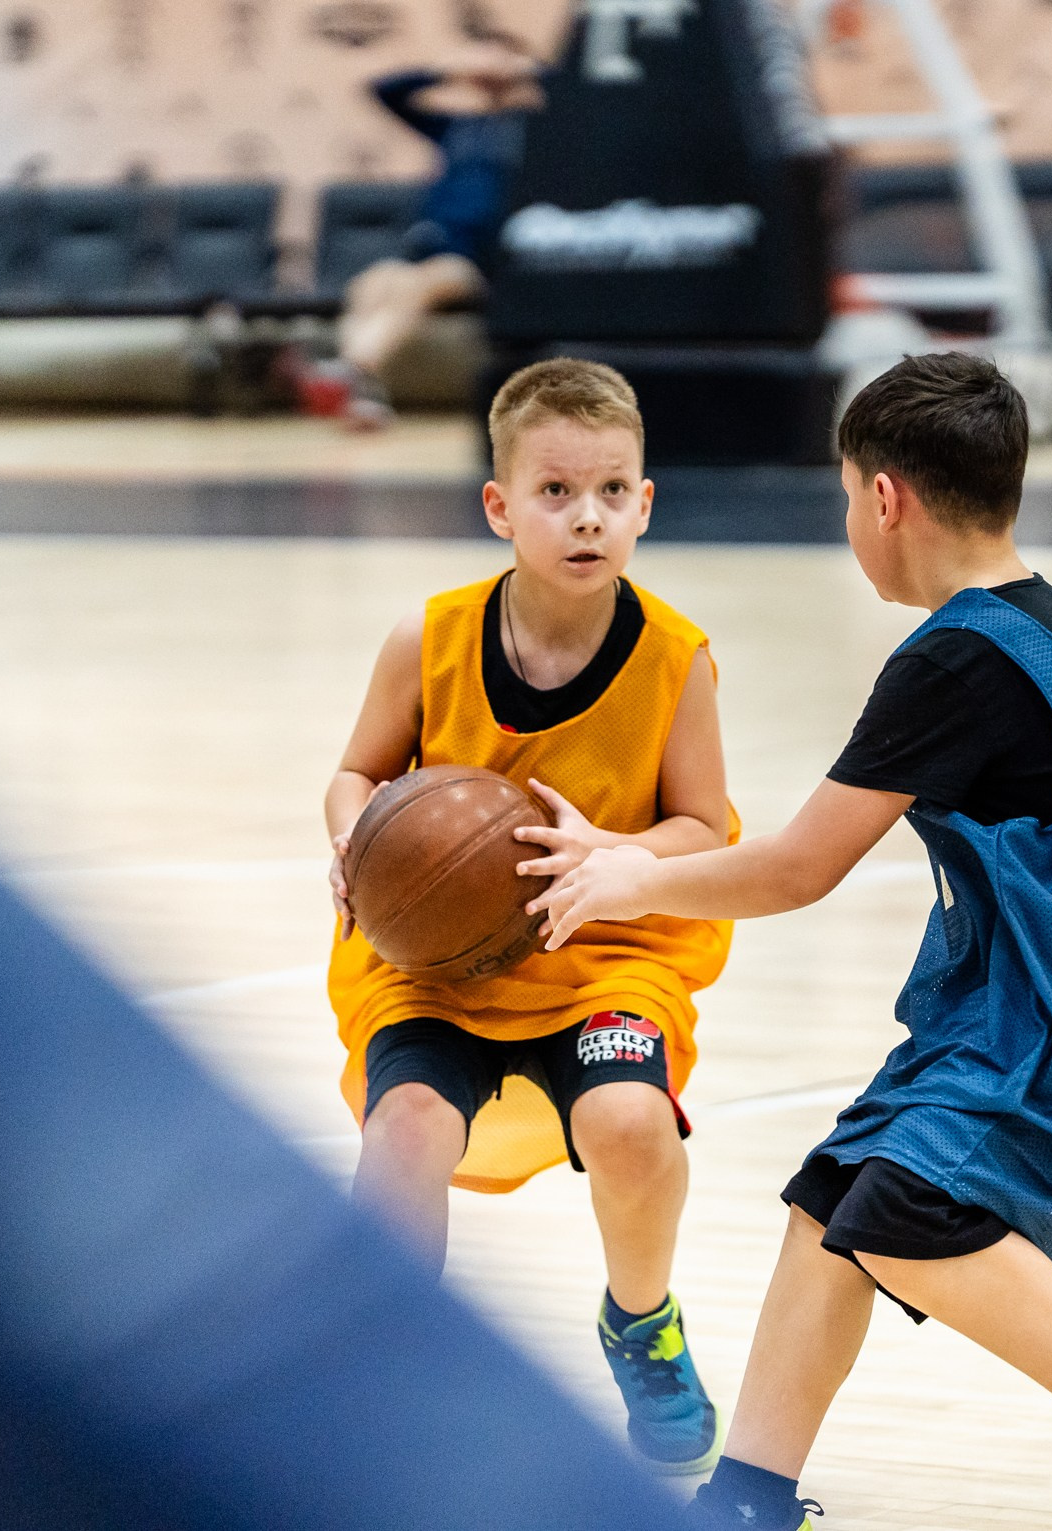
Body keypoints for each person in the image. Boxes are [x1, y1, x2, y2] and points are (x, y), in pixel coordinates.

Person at [532, 353, 1052, 1531]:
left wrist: (631, 882)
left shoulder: (955, 657)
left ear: (884, 499)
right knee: (834, 1201)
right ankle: (751, 1498)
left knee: (908, 1214)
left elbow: (796, 867)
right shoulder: (1051, 622)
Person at [322, 357, 737, 1476]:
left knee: (630, 1127)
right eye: (555, 492)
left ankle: (640, 1322)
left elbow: (705, 832)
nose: (586, 516)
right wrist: (354, 843)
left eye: (611, 491)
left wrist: (618, 851)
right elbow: (356, 776)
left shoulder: (674, 659)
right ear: (500, 506)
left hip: (607, 955)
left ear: (645, 504)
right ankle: (392, 1361)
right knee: (403, 1130)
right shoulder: (431, 636)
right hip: (437, 964)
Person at [326, 42, 545, 427]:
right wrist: (451, 72)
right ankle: (363, 392)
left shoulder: (536, 127)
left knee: (421, 284)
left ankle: (353, 366)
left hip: (479, 260)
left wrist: (521, 70)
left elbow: (578, 87)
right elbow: (385, 90)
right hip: (426, 247)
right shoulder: (455, 127)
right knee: (371, 282)